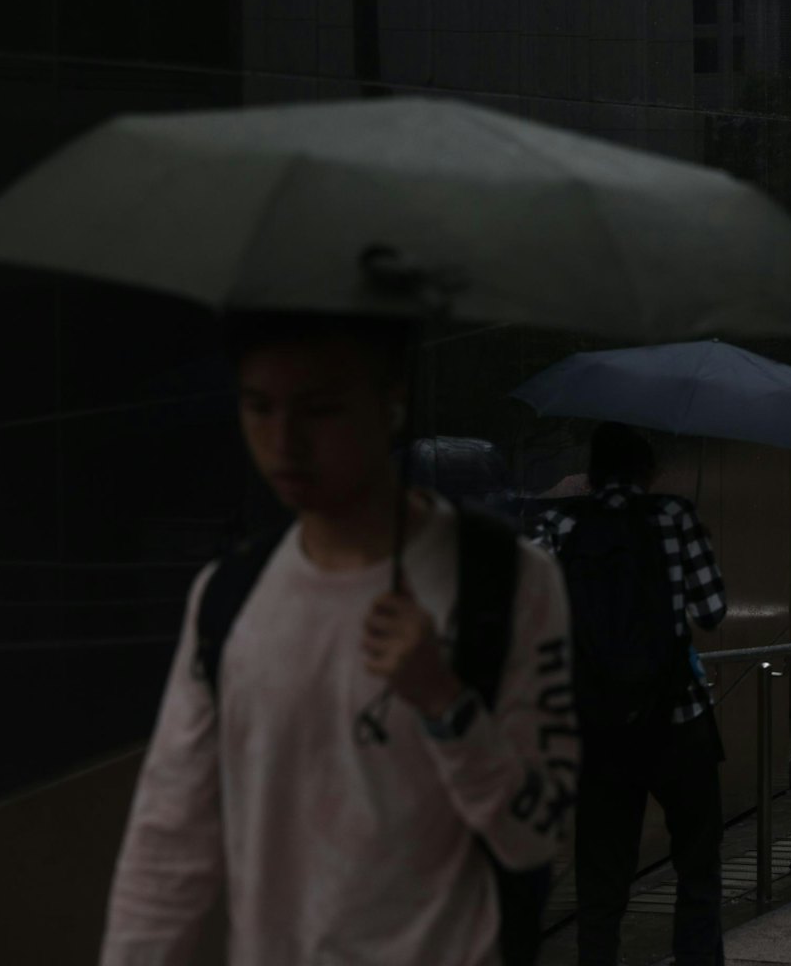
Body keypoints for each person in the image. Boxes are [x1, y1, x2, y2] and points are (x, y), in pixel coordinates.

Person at [103, 313, 577, 966]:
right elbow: (167, 847)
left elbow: (535, 835)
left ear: (391, 401)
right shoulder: (230, 596)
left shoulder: (508, 583)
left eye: (318, 410)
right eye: (259, 407)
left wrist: (444, 702)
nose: (284, 441)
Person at [529, 423, 728, 966]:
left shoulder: (560, 524)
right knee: (698, 865)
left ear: (591, 472)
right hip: (678, 717)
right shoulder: (675, 516)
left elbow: (527, 609)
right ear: (649, 469)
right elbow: (712, 610)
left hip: (597, 727)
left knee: (601, 878)